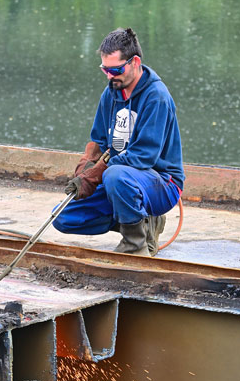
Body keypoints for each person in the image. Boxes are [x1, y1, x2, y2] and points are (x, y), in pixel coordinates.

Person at [53, 27, 184, 256]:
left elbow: (143, 157)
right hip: (120, 182)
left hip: (161, 184)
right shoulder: (111, 92)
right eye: (105, 70)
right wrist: (86, 167)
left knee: (115, 175)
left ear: (134, 62)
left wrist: (97, 174)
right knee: (63, 218)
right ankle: (142, 222)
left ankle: (135, 245)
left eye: (115, 70)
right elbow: (99, 141)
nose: (110, 76)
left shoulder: (157, 97)